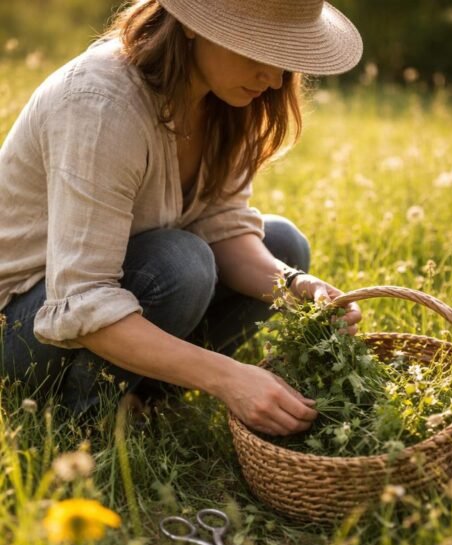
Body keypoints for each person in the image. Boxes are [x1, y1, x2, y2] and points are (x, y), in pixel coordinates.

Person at [0, 0, 364, 436]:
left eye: (286, 57)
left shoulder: (226, 100)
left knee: (285, 247)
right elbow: (82, 297)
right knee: (181, 262)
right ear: (193, 26)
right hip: (21, 325)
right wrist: (228, 378)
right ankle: (77, 421)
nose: (274, 79)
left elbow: (221, 221)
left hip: (107, 298)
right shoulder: (100, 104)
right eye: (259, 51)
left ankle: (143, 395)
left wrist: (294, 285)